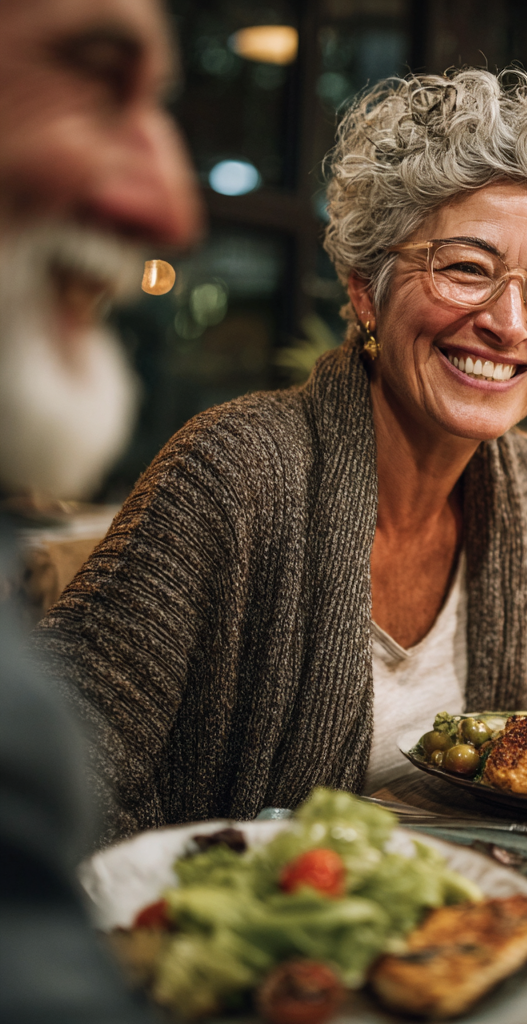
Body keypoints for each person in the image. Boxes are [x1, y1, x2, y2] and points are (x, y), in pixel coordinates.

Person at [33, 67, 527, 841]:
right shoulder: (237, 470)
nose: (509, 323)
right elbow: (50, 760)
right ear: (364, 290)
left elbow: (520, 791)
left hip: (463, 936)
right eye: (465, 268)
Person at [0, 0, 201, 1019]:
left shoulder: (524, 487)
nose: (174, 206)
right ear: (362, 289)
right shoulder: (230, 464)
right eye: (91, 76)